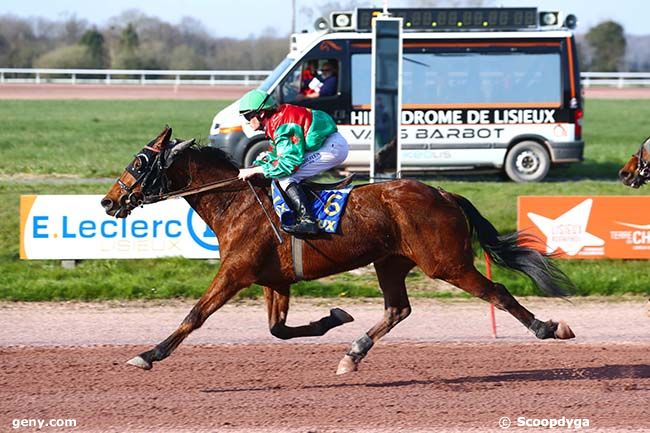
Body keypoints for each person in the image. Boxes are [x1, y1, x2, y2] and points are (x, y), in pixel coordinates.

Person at [237, 89, 349, 235]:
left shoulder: (283, 125)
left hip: (331, 148)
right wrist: (257, 164)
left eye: (248, 116)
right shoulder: (277, 120)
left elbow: (288, 165)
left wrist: (254, 170)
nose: (247, 121)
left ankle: (308, 221)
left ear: (261, 113)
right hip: (327, 143)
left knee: (286, 176)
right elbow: (277, 154)